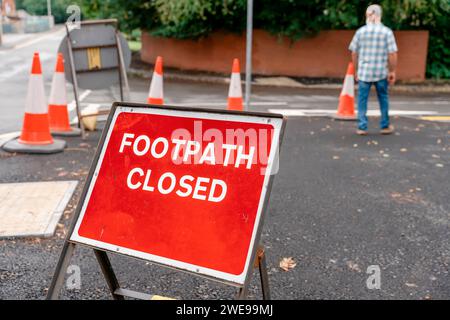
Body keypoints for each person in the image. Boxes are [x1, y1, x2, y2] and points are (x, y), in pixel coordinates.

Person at [349, 4, 398, 135]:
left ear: (367, 15)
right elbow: (392, 53)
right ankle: (385, 125)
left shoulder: (360, 32)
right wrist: (392, 71)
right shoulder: (387, 32)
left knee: (362, 99)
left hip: (364, 72)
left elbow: (354, 52)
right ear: (380, 15)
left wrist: (356, 70)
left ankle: (362, 126)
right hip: (381, 72)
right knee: (383, 98)